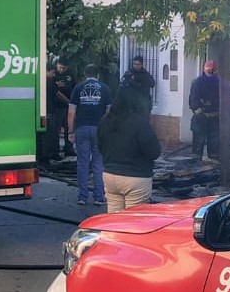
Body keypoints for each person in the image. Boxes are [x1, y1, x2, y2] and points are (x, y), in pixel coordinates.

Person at [98, 85, 161, 213]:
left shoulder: (105, 121)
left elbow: (100, 147)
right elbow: (154, 152)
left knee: (114, 222)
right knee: (133, 223)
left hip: (110, 175)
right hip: (136, 177)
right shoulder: (140, 123)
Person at [68, 63, 112, 206]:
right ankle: (99, 197)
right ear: (97, 74)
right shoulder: (105, 89)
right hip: (99, 130)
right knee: (98, 164)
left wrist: (70, 130)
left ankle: (82, 196)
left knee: (82, 163)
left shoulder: (78, 88)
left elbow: (71, 112)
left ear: (85, 74)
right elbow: (109, 113)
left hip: (82, 129)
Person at [188, 59, 221, 162]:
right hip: (200, 118)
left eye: (211, 67)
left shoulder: (218, 82)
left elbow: (221, 99)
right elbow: (193, 101)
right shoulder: (197, 82)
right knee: (198, 145)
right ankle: (195, 166)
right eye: (208, 66)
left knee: (214, 145)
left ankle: (215, 168)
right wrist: (200, 113)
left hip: (214, 117)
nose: (210, 69)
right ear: (204, 68)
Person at [49, 59, 75, 158]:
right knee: (56, 129)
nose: (61, 70)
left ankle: (69, 149)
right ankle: (54, 151)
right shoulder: (53, 75)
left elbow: (74, 87)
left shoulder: (70, 74)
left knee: (69, 128)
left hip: (68, 106)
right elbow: (55, 93)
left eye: (63, 68)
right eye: (60, 67)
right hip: (57, 107)